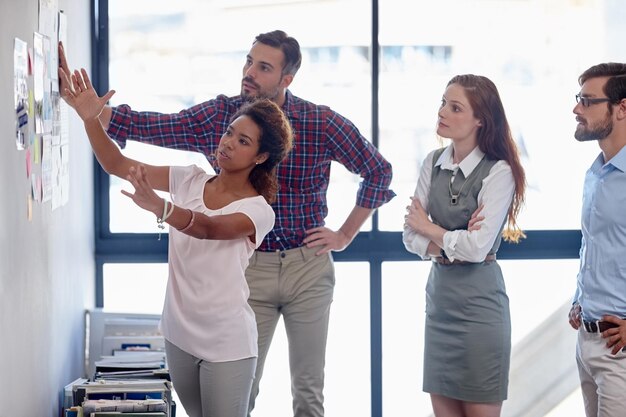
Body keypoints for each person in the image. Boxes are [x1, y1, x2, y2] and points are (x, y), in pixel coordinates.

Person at [59, 30, 394, 417]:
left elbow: (378, 171)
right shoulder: (221, 118)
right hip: (250, 270)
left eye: (263, 67)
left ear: (287, 79)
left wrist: (345, 234)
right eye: (248, 61)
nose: (249, 72)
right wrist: (89, 111)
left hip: (307, 266)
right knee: (242, 393)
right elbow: (150, 128)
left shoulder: (319, 122)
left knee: (308, 390)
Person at [61, 67, 293, 417]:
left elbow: (209, 228)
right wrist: (89, 117)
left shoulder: (258, 211)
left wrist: (161, 207)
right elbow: (117, 163)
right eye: (230, 132)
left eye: (243, 141)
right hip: (179, 335)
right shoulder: (188, 179)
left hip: (227, 343)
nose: (228, 143)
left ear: (260, 157)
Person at [402, 74, 526, 417]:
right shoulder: (432, 161)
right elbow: (409, 237)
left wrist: (430, 228)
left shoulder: (499, 171)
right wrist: (452, 241)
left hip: (480, 312)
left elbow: (475, 248)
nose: (442, 112)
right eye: (443, 102)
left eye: (455, 107)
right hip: (440, 305)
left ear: (479, 120)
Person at [567, 62, 626, 417]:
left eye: (587, 101)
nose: (576, 109)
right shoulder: (596, 173)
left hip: (619, 352)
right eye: (578, 99)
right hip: (586, 341)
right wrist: (580, 298)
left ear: (622, 107)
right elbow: (597, 246)